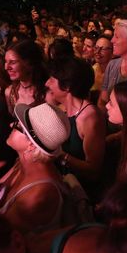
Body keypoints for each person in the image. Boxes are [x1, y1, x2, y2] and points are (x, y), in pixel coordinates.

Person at [0, 102, 73, 234]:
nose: (11, 125)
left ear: (31, 145)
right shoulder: (23, 163)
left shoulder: (39, 195)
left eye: (18, 126)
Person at [47, 57, 105, 185]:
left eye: (51, 80)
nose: (46, 84)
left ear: (67, 86)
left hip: (80, 188)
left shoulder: (90, 118)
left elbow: (94, 170)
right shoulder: (60, 109)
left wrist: (61, 155)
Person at [4, 39, 49, 114]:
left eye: (13, 62)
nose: (6, 67)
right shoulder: (10, 93)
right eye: (6, 62)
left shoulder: (48, 93)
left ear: (29, 63)